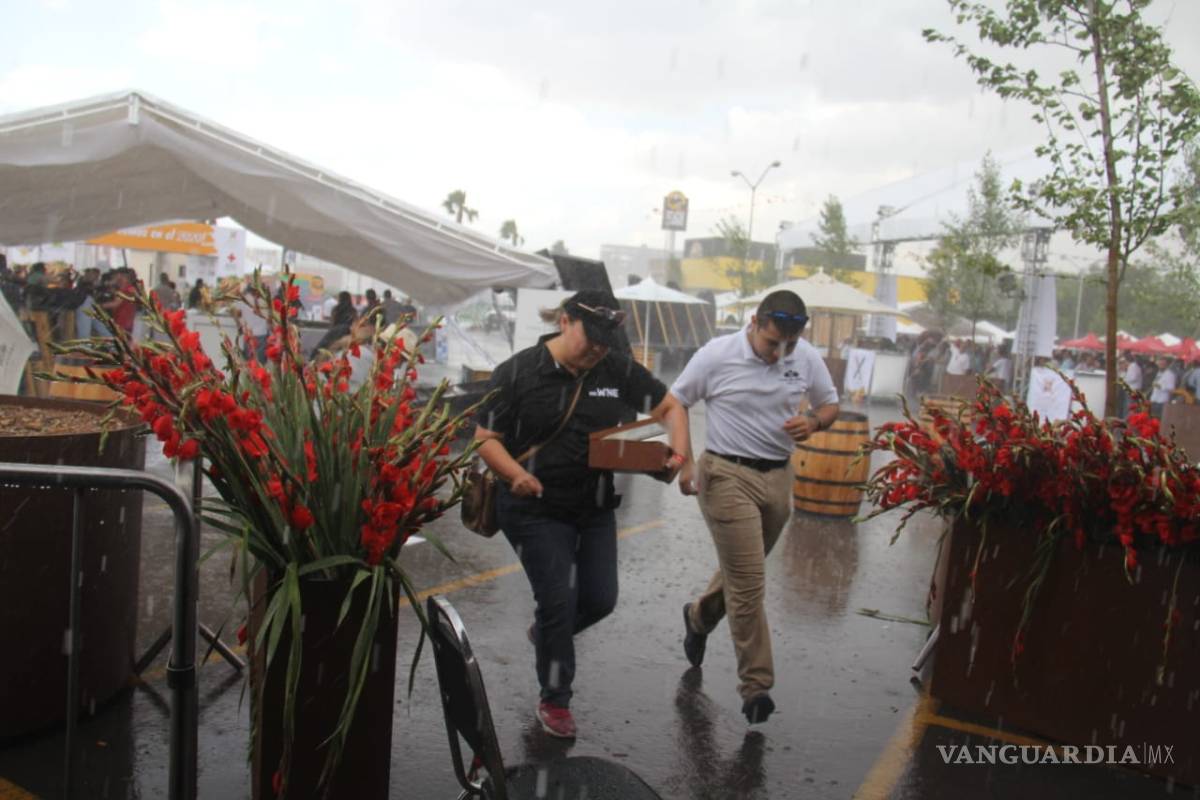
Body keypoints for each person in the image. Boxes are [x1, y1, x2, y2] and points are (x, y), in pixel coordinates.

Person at [473, 289, 690, 739]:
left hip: (592, 506)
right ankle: (555, 700)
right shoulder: (517, 372)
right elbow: (485, 438)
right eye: (590, 337)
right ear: (566, 321)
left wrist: (679, 456)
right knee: (558, 599)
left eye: (605, 342)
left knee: (599, 600)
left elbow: (671, 407)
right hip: (533, 507)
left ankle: (550, 632)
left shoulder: (614, 368)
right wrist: (515, 474)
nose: (597, 349)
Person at [671, 290, 840, 725]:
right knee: (748, 583)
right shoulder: (717, 355)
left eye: (788, 345)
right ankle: (756, 686)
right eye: (771, 343)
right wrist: (685, 459)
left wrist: (816, 421)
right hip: (727, 475)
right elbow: (676, 402)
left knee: (739, 572)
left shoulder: (805, 357)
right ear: (753, 322)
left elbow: (829, 403)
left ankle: (698, 616)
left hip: (779, 478)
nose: (779, 353)